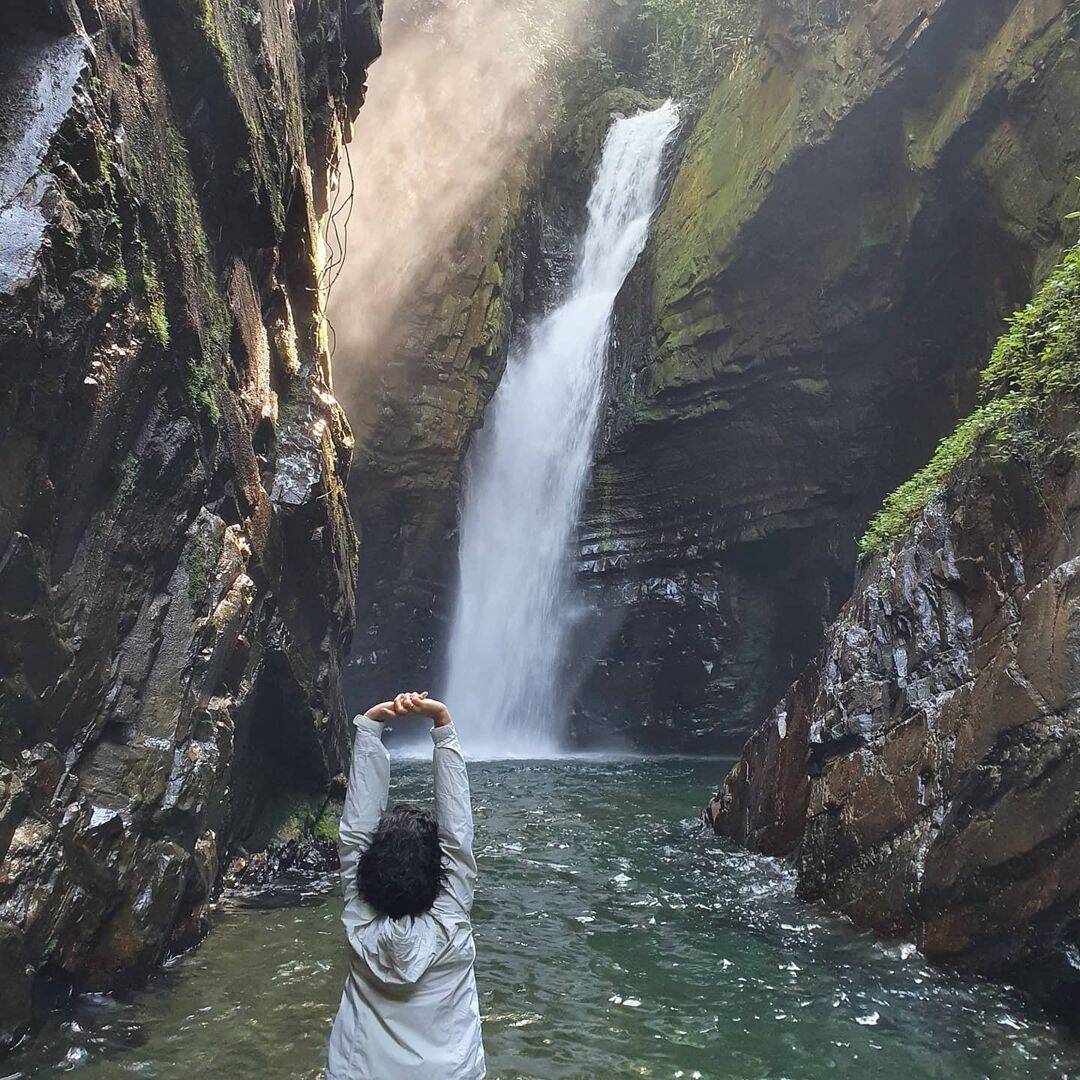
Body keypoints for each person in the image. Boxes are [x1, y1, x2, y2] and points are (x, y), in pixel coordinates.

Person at [326, 691, 486, 1079]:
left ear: (369, 869)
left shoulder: (359, 922)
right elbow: (458, 836)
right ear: (441, 873)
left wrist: (369, 729)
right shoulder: (449, 921)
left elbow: (354, 836)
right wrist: (442, 724)